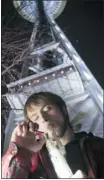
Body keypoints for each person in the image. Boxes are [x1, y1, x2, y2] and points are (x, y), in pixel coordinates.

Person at [2, 92, 104, 178]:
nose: (43, 118)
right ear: (33, 127)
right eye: (35, 117)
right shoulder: (33, 162)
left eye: (47, 109)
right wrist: (20, 152)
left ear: (63, 109)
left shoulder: (97, 146)